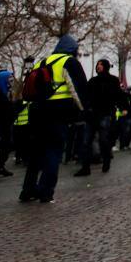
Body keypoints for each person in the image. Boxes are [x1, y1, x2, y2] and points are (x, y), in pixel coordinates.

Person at [20, 34, 89, 203]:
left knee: (36, 153)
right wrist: (84, 110)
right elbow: (78, 89)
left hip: (36, 112)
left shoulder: (42, 62)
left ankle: (27, 190)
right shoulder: (69, 62)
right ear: (73, 49)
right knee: (53, 152)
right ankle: (46, 191)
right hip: (57, 113)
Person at [77, 59, 124, 175]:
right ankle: (85, 167)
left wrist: (123, 107)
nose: (98, 66)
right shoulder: (92, 81)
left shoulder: (113, 80)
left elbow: (118, 95)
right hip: (92, 115)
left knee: (103, 140)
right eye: (97, 65)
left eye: (101, 64)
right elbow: (86, 97)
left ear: (106, 66)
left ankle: (106, 161)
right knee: (86, 142)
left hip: (105, 114)